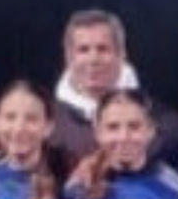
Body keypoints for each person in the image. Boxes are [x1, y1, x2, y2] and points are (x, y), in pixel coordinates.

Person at [44, 9, 139, 164]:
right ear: (68, 57)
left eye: (102, 49)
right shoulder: (45, 123)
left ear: (122, 54)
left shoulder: (158, 119)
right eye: (83, 50)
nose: (93, 59)